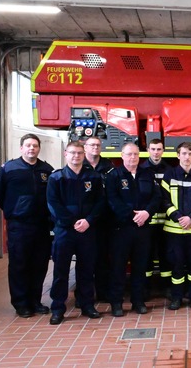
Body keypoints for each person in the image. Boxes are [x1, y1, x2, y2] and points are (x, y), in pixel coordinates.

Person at [0, 134, 54, 318]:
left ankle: (35, 301)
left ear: (39, 148)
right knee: (19, 264)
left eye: (35, 145)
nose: (31, 149)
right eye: (28, 145)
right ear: (21, 148)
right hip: (19, 226)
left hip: (41, 225)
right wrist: (13, 210)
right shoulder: (9, 168)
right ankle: (21, 304)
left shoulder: (46, 169)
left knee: (39, 264)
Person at [46, 141, 105, 325]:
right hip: (65, 232)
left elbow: (100, 203)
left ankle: (87, 305)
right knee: (61, 271)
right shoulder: (56, 178)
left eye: (79, 153)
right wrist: (72, 223)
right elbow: (53, 204)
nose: (76, 156)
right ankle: (57, 308)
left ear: (84, 154)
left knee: (86, 270)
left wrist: (88, 221)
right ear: (66, 154)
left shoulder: (94, 177)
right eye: (72, 153)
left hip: (87, 231)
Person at [105, 143, 161, 315]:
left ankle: (138, 302)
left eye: (135, 154)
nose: (132, 158)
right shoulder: (113, 175)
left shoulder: (147, 174)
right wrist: (133, 216)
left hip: (143, 228)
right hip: (122, 229)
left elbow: (156, 197)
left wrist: (147, 213)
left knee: (140, 266)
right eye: (129, 154)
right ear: (122, 155)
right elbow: (112, 201)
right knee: (118, 267)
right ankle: (116, 303)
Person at [161, 141, 191, 310]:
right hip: (174, 230)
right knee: (176, 264)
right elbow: (164, 200)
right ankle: (177, 298)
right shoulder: (169, 175)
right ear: (178, 155)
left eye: (190, 154)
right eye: (184, 153)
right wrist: (178, 217)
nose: (187, 157)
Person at [139, 138, 172, 296]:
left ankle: (167, 287)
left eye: (159, 149)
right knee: (146, 254)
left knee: (166, 253)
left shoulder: (170, 170)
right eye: (153, 149)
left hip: (166, 219)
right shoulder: (141, 169)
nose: (156, 152)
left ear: (163, 151)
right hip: (148, 221)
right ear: (148, 150)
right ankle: (145, 288)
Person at [82, 136, 114, 302]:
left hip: (104, 220)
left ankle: (103, 293)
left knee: (103, 258)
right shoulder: (79, 166)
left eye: (97, 144)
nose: (95, 147)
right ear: (85, 147)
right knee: (85, 260)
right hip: (86, 221)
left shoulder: (109, 167)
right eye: (91, 144)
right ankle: (83, 297)